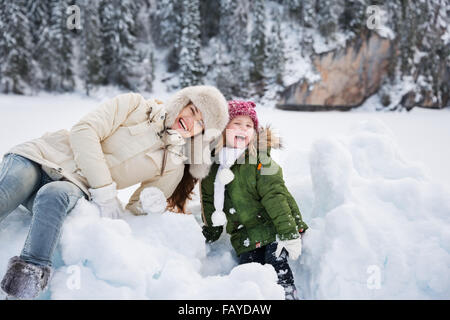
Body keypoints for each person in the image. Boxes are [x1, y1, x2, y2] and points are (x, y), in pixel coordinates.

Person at [0, 85, 229, 299]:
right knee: (11, 188)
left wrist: (150, 205)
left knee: (53, 195)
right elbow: (84, 130)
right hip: (42, 154)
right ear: (181, 102)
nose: (190, 122)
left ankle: (26, 281)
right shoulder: (135, 105)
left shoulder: (173, 164)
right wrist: (104, 190)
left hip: (76, 184)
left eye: (200, 124)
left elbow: (136, 208)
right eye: (192, 110)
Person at [200, 100, 308, 300]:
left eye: (249, 126)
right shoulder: (214, 167)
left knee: (277, 268)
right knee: (248, 279)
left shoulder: (259, 160)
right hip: (245, 238)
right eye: (237, 124)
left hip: (274, 227)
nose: (244, 129)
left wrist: (289, 231)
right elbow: (209, 201)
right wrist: (209, 234)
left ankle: (288, 296)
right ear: (223, 129)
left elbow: (275, 195)